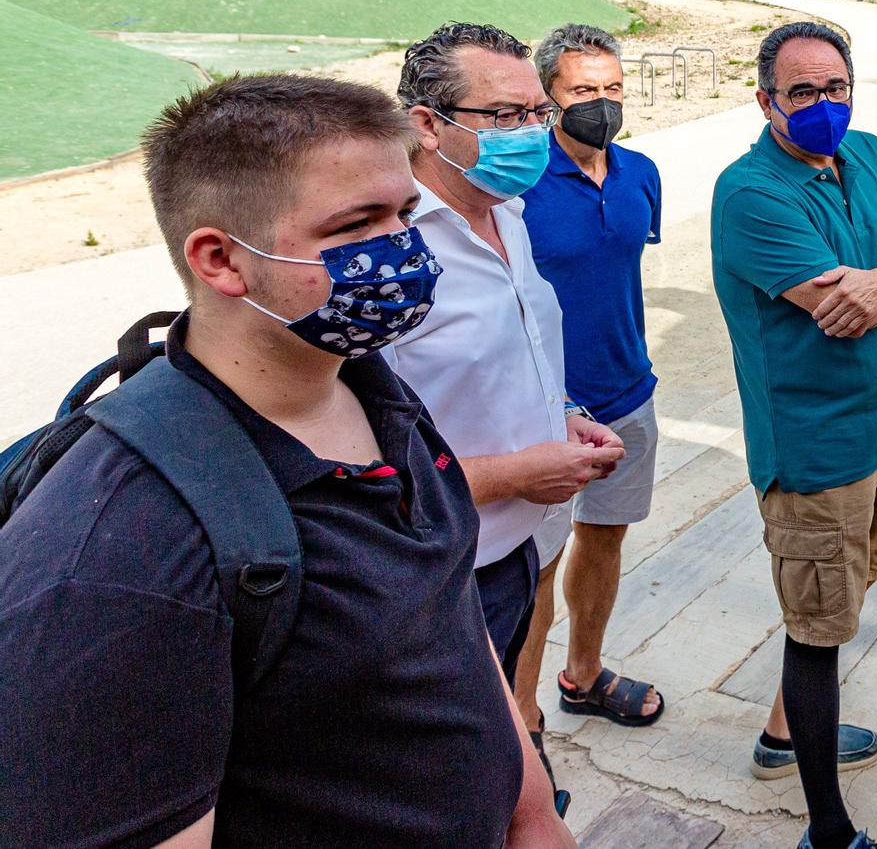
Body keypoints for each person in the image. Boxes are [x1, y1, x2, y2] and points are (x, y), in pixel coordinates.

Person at [0, 74, 571, 848]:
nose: (405, 247)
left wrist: (532, 813)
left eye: (406, 212)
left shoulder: (376, 392)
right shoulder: (122, 547)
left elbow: (453, 622)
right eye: (357, 223)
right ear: (221, 260)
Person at [711, 21, 877, 849]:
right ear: (767, 100)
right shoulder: (751, 193)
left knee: (839, 601)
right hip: (815, 451)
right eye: (802, 91)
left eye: (835, 87)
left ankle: (787, 735)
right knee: (817, 633)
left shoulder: (874, 157)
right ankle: (828, 829)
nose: (822, 104)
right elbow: (839, 316)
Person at [383, 22, 625, 771]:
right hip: (446, 572)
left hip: (524, 547)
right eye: (506, 116)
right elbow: (350, 463)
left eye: (536, 113)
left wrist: (564, 418)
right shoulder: (385, 252)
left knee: (507, 731)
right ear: (427, 123)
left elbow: (504, 363)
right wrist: (512, 475)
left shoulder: (507, 213)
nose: (532, 133)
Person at [517, 24, 665, 733]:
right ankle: (524, 717)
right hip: (546, 408)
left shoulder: (641, 173)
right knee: (537, 565)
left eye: (611, 89)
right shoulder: (517, 187)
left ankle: (583, 674)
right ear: (549, 98)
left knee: (604, 537)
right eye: (583, 90)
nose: (600, 104)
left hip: (629, 391)